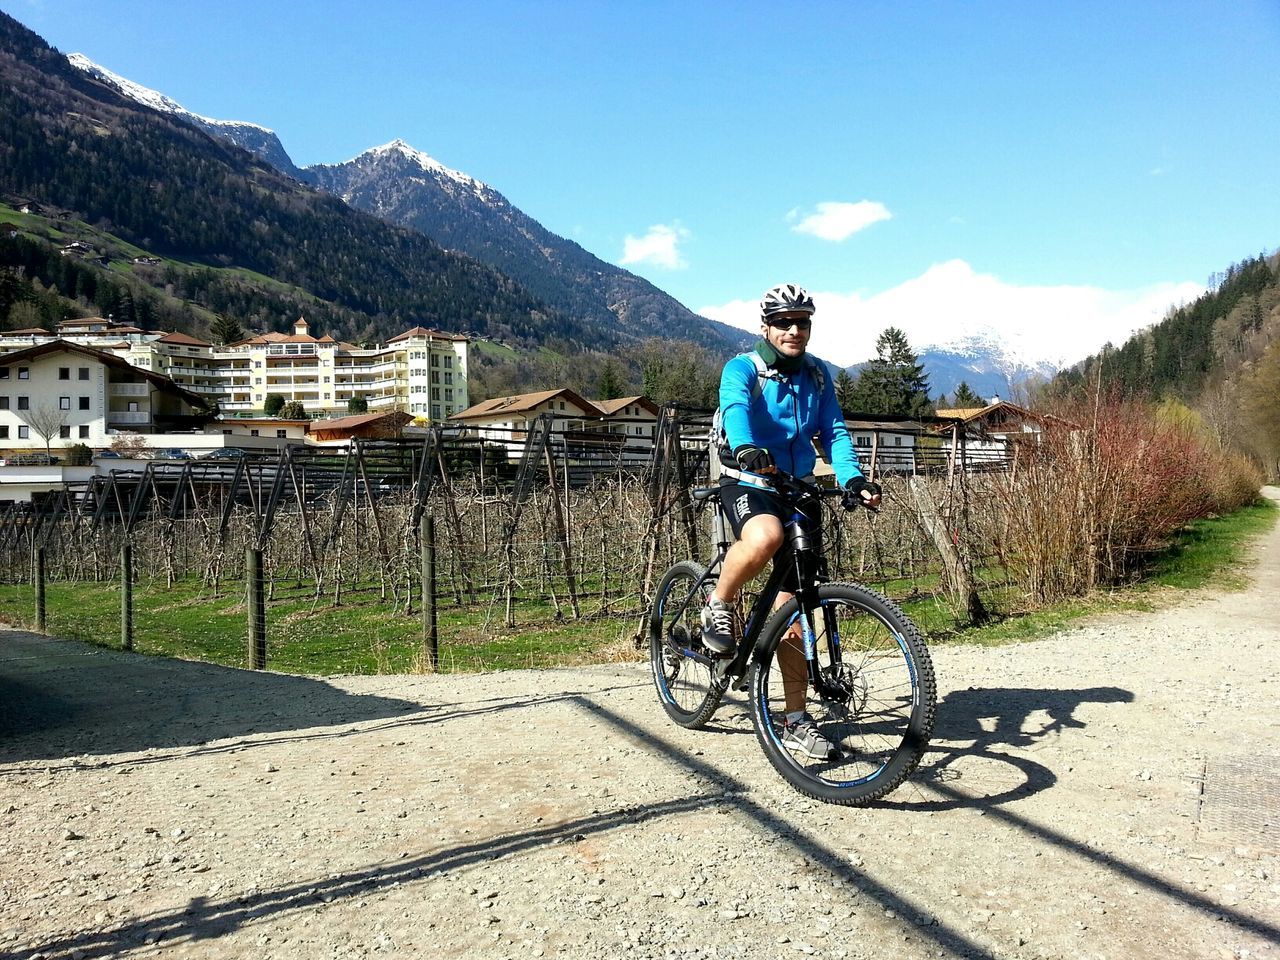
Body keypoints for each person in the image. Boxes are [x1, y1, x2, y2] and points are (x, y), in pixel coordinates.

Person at [703, 283, 881, 759]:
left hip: (797, 484)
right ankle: (718, 602)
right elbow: (736, 408)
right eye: (784, 322)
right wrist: (745, 446)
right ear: (766, 326)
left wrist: (852, 478)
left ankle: (796, 718)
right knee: (765, 535)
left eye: (802, 322)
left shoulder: (818, 376)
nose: (794, 330)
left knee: (795, 608)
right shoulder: (743, 368)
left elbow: (835, 432)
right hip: (747, 476)